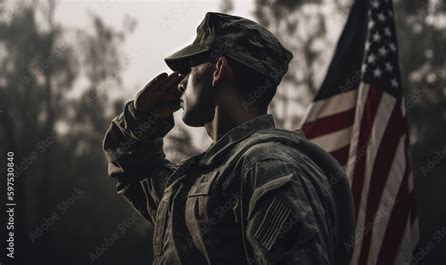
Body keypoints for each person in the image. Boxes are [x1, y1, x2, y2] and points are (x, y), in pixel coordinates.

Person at [103, 12, 355, 265]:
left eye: (190, 68)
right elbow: (132, 169)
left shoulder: (268, 165)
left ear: (218, 70)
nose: (180, 83)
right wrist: (141, 118)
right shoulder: (203, 179)